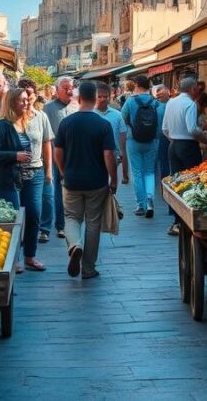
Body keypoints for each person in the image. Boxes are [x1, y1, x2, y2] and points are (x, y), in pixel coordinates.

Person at [53, 81, 117, 280]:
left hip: (72, 180)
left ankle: (74, 245)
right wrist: (113, 179)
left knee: (71, 217)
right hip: (96, 182)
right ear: (95, 98)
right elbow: (109, 156)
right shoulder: (103, 125)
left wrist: (64, 172)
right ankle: (88, 268)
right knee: (93, 223)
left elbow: (58, 153)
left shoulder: (66, 123)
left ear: (78, 99)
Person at [0, 87, 52, 271]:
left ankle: (30, 256)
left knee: (33, 216)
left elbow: (45, 142)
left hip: (33, 175)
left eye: (27, 99)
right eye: (22, 100)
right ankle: (13, 260)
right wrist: (15, 156)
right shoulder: (2, 125)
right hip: (7, 179)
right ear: (12, 102)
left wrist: (47, 169)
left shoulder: (29, 120)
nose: (26, 102)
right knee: (13, 218)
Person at [162, 75, 207, 235]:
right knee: (192, 182)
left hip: (173, 145)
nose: (198, 91)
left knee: (176, 182)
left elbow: (164, 129)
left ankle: (176, 221)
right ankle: (188, 220)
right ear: (193, 88)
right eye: (197, 88)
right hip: (187, 146)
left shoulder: (171, 102)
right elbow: (192, 129)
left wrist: (174, 139)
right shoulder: (190, 104)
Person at [41, 76, 76, 241]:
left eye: (71, 87)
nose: (70, 90)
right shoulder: (48, 109)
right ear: (57, 90)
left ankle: (74, 223)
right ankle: (59, 225)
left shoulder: (78, 107)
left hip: (77, 156)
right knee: (57, 191)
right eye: (65, 88)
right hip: (57, 156)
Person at [122, 74, 161, 217]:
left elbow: (123, 118)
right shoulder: (155, 102)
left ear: (137, 86)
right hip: (152, 140)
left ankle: (140, 205)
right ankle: (150, 201)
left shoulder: (130, 101)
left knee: (137, 172)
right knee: (150, 172)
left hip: (134, 140)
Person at [95, 82, 129, 186]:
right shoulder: (89, 114)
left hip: (113, 157)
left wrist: (125, 174)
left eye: (105, 96)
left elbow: (123, 146)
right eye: (99, 96)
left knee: (111, 185)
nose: (102, 99)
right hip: (94, 157)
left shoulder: (117, 115)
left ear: (110, 97)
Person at [154, 84, 171, 187]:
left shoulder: (156, 105)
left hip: (164, 136)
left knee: (163, 160)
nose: (160, 96)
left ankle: (164, 181)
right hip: (163, 137)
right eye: (159, 95)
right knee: (164, 160)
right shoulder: (156, 105)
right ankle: (165, 181)